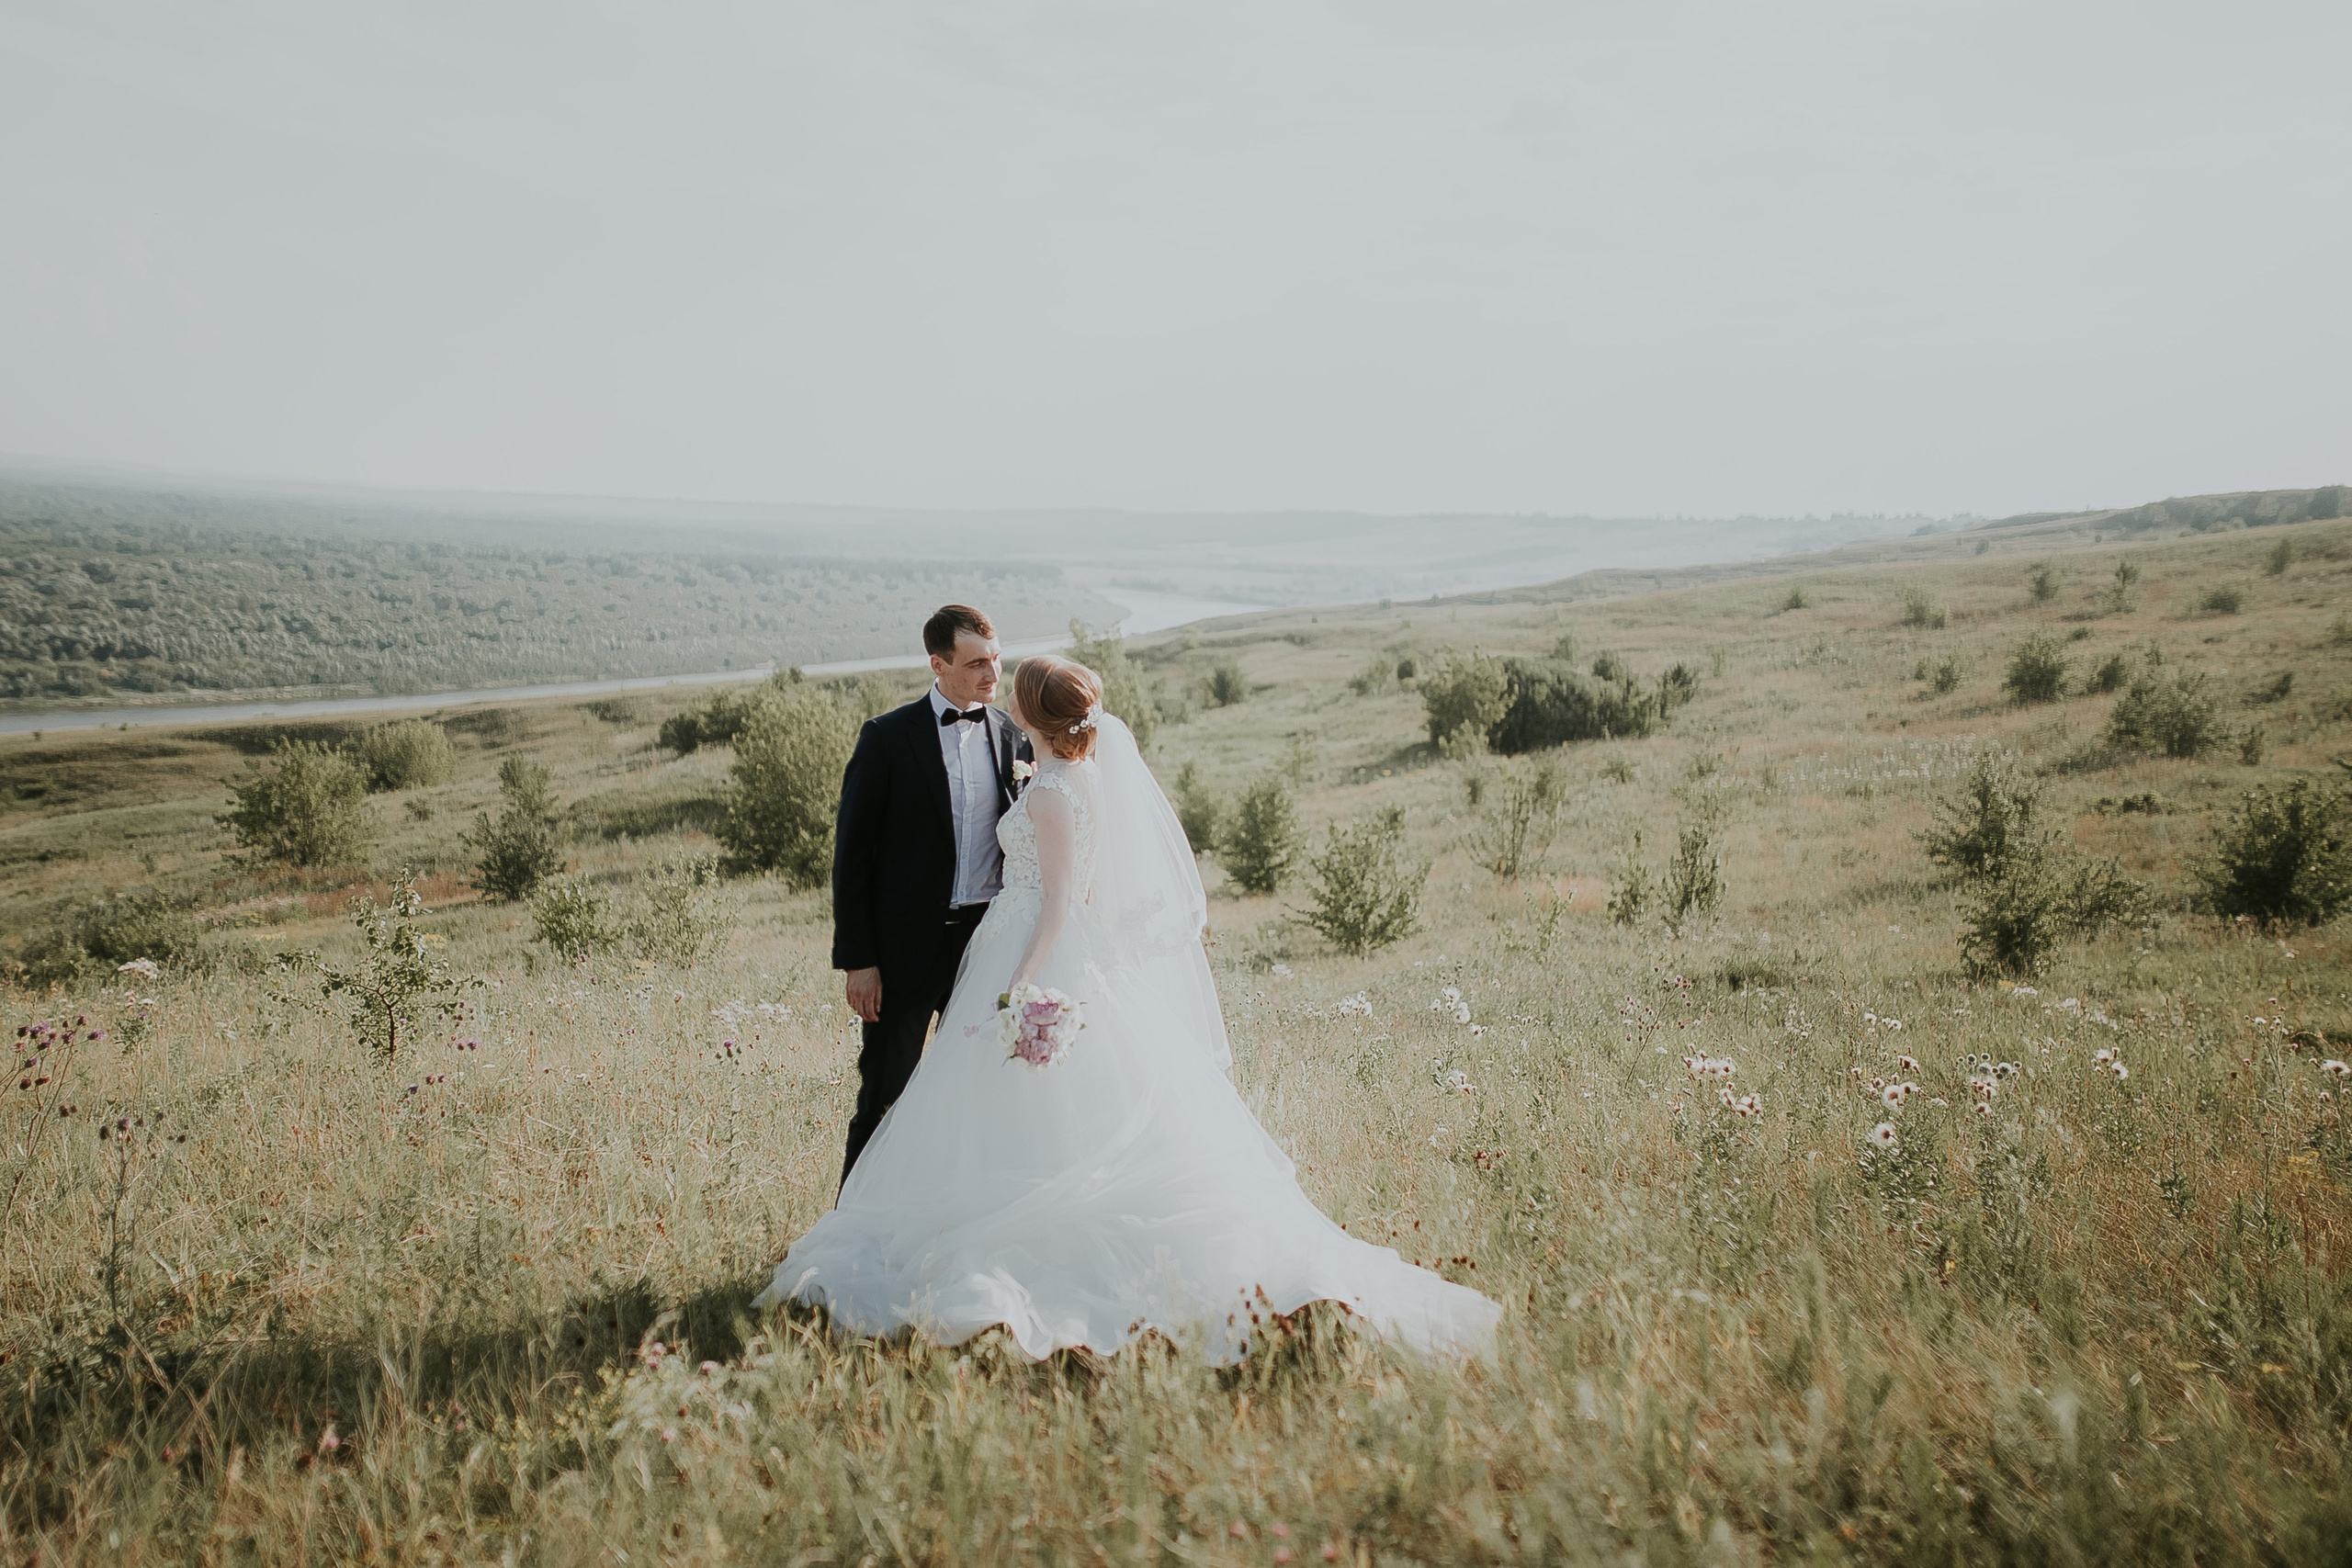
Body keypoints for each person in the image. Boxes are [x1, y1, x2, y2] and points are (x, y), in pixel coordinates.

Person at [759, 654, 1500, 1361]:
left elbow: (1056, 901)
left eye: (1015, 688)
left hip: (1032, 944)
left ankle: (1034, 1250)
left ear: (1034, 715)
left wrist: (1020, 982)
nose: (1003, 692)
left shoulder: (1051, 792)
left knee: (1015, 1096)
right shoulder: (1075, 774)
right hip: (1065, 946)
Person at [829, 604, 1031, 1186]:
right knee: (887, 1094)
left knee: (984, 1091)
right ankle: (851, 1228)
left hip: (986, 946)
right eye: (975, 664)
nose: (992, 675)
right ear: (938, 665)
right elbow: (853, 858)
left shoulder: (1013, 734)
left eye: (996, 660)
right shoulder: (888, 738)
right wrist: (861, 961)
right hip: (903, 952)